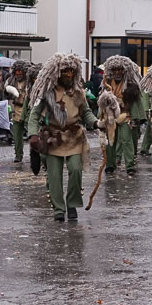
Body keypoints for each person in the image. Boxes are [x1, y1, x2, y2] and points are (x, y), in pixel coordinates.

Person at [26, 53, 98, 222]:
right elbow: (34, 115)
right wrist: (33, 135)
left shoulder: (78, 92)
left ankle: (72, 203)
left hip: (74, 137)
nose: (68, 75)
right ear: (57, 72)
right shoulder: (47, 92)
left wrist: (97, 123)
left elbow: (86, 113)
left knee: (75, 169)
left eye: (71, 71)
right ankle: (58, 209)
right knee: (54, 176)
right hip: (53, 138)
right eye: (65, 71)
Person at [101, 55, 147, 176]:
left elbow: (136, 103)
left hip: (125, 116)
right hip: (111, 117)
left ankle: (130, 166)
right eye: (115, 70)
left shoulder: (131, 86)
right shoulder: (106, 84)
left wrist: (135, 119)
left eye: (120, 70)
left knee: (127, 141)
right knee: (111, 142)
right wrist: (101, 118)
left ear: (124, 71)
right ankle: (110, 165)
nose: (117, 72)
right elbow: (101, 102)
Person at [4, 61, 34, 166]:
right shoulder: (11, 81)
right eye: (17, 71)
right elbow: (5, 92)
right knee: (17, 136)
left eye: (21, 71)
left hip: (29, 111)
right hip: (16, 110)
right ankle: (18, 155)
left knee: (32, 134)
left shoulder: (30, 82)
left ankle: (35, 155)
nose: (18, 74)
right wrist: (7, 92)